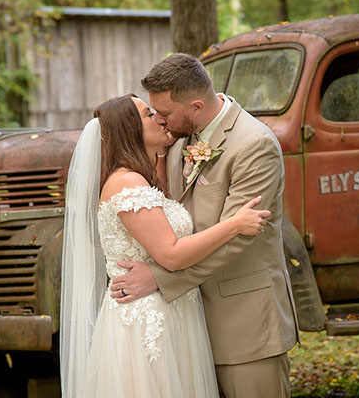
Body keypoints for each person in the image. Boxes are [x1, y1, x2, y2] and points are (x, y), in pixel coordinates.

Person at [109, 53, 300, 397]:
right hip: (186, 329)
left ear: (196, 106)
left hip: (244, 326)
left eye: (164, 114)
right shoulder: (181, 137)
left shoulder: (254, 144)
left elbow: (236, 238)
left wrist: (157, 277)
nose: (160, 122)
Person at [59, 94, 272, 397]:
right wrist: (234, 225)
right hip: (147, 321)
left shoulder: (144, 176)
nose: (159, 118)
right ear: (130, 129)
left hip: (172, 308)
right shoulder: (126, 183)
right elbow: (170, 254)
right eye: (149, 115)